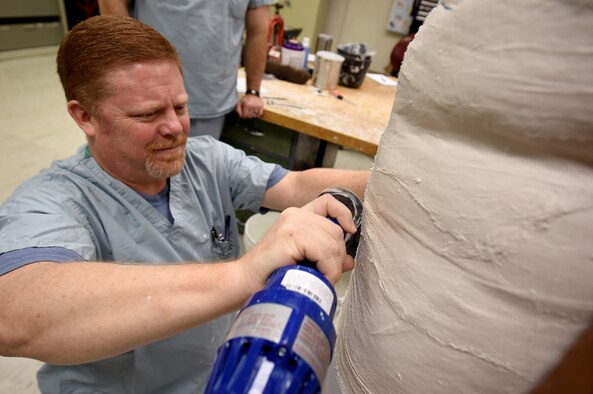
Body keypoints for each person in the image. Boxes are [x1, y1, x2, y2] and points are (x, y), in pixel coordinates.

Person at [0, 16, 369, 393]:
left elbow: (294, 184)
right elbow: (16, 315)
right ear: (84, 116)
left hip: (217, 373)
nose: (175, 128)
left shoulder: (204, 160)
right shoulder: (55, 200)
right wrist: (243, 275)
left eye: (180, 106)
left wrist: (396, 181)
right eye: (148, 114)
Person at [98, 0, 272, 139]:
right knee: (139, 177)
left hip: (212, 100)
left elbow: (258, 31)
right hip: (147, 97)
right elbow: (111, 3)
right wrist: (131, 66)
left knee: (196, 178)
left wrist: (253, 90)